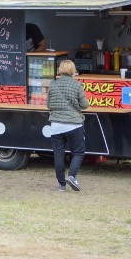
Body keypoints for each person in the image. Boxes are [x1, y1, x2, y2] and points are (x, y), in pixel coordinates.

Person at [47, 59, 88, 192]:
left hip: (56, 125)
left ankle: (61, 185)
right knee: (78, 152)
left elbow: (48, 105)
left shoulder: (53, 85)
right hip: (74, 125)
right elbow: (85, 105)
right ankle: (72, 176)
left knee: (58, 155)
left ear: (60, 70)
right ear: (73, 70)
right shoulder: (77, 86)